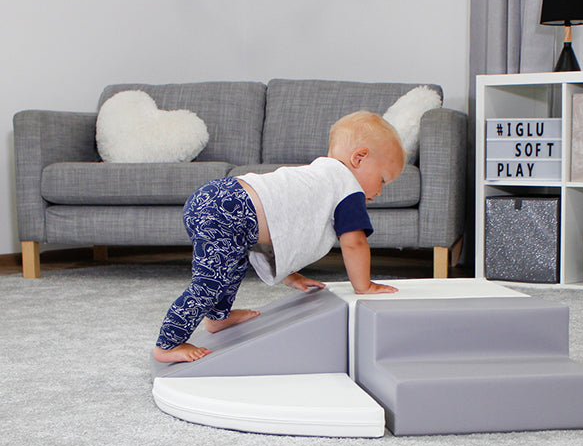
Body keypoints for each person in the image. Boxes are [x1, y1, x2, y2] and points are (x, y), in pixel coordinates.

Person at [153, 110, 406, 363]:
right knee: (209, 283)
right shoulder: (347, 187)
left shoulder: (318, 176)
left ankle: (218, 318)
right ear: (359, 158)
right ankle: (168, 343)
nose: (380, 191)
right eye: (382, 179)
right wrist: (364, 286)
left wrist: (291, 275)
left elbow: (284, 225)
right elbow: (354, 242)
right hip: (227, 207)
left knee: (231, 266)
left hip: (220, 198)